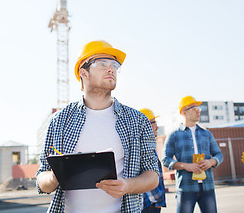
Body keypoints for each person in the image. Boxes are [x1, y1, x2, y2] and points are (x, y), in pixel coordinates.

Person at [36, 40, 159, 213]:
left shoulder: (137, 121)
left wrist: (126, 185)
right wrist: (55, 176)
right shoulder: (59, 121)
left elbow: (153, 176)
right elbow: (42, 180)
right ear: (83, 72)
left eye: (115, 65)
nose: (111, 69)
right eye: (102, 63)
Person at [162, 96, 223, 213]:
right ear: (184, 112)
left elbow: (219, 154)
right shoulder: (174, 135)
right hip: (185, 187)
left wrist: (211, 162)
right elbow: (165, 159)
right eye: (194, 108)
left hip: (207, 186)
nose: (198, 110)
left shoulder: (207, 134)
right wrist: (185, 166)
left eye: (198, 108)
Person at [139, 108, 166, 213]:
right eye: (153, 122)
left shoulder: (146, 145)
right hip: (149, 204)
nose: (157, 127)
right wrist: (158, 200)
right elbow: (147, 177)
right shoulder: (145, 147)